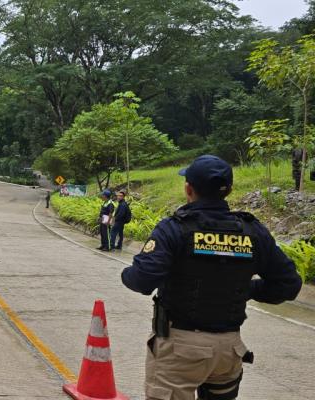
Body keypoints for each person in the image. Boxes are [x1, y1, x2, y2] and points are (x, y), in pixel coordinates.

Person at [121, 155, 302, 400]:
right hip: (229, 350)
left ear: (189, 189)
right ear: (229, 190)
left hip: (180, 349)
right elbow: (288, 284)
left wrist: (127, 274)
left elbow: (142, 280)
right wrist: (246, 289)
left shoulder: (174, 228)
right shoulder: (252, 231)